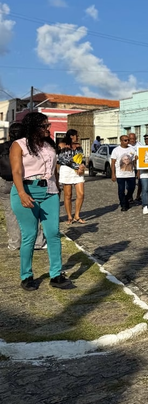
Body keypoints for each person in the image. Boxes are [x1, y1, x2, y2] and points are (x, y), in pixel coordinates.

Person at [10, 112, 74, 290]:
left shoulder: (49, 145)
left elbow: (53, 169)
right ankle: (27, 276)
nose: (48, 129)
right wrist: (22, 193)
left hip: (50, 192)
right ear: (33, 127)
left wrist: (57, 188)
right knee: (29, 236)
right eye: (44, 126)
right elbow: (16, 172)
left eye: (48, 125)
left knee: (53, 233)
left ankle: (56, 275)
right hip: (27, 191)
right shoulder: (19, 145)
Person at [0, 123, 46, 251]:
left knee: (10, 213)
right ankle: (38, 242)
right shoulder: (26, 147)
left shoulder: (2, 147)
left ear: (9, 134)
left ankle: (15, 243)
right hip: (23, 181)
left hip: (4, 181)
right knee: (33, 210)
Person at [57, 129, 86, 224]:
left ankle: (77, 215)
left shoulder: (78, 146)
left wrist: (82, 166)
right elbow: (62, 160)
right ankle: (69, 216)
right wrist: (77, 166)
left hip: (78, 171)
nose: (77, 137)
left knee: (81, 194)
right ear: (71, 136)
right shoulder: (62, 145)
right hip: (67, 170)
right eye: (76, 135)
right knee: (68, 194)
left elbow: (82, 158)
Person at [111, 135, 137, 212]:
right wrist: (113, 174)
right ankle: (123, 205)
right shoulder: (116, 150)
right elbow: (113, 163)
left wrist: (136, 160)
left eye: (128, 140)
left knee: (132, 188)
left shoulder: (132, 149)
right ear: (121, 141)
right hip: (120, 174)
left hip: (131, 173)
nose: (127, 142)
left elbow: (135, 160)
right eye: (125, 140)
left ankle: (126, 199)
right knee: (121, 190)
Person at [128, 132, 142, 203]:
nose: (132, 140)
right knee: (131, 184)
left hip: (139, 166)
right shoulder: (126, 145)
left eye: (133, 139)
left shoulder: (140, 145)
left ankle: (138, 196)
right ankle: (130, 196)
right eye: (130, 139)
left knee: (140, 182)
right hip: (130, 167)